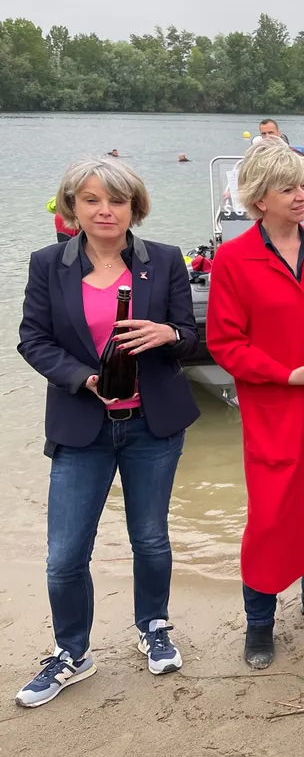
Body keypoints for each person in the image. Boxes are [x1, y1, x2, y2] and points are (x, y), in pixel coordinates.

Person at [15, 157, 200, 707]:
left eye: (116, 200)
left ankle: (154, 626)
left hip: (153, 424)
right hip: (81, 426)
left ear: (133, 207)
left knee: (150, 537)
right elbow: (33, 340)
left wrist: (167, 332)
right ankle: (72, 652)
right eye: (92, 199)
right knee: (65, 555)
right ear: (73, 205)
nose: (105, 210)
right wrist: (82, 378)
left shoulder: (163, 261)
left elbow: (191, 337)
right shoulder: (48, 264)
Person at [205, 138, 304, 669]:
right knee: (271, 516)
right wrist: (284, 375)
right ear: (258, 199)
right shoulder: (233, 259)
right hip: (276, 406)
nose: (303, 195)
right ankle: (259, 624)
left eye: (303, 184)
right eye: (289, 187)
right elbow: (226, 344)